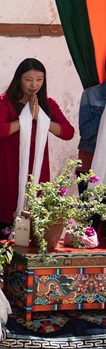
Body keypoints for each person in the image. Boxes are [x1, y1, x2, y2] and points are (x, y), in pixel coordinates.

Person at [0, 58, 74, 238]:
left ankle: (29, 264)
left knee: (35, 216)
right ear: (19, 79)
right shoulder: (5, 101)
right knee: (7, 217)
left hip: (37, 167)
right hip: (9, 165)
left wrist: (41, 119)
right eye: (28, 79)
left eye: (39, 80)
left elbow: (68, 132)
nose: (34, 85)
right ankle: (6, 263)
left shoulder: (47, 103)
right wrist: (24, 119)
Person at [78, 78, 106, 238]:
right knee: (90, 223)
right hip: (89, 165)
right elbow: (85, 131)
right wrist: (103, 115)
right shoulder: (91, 94)